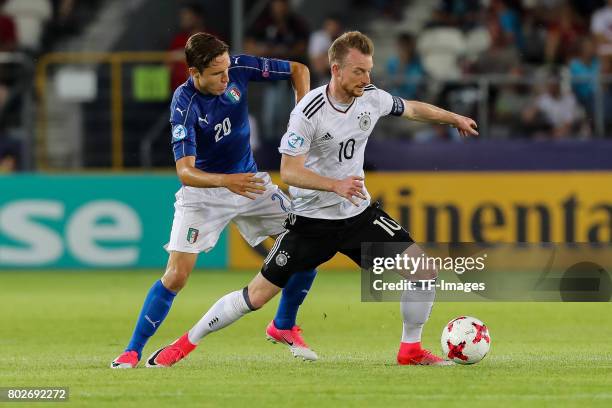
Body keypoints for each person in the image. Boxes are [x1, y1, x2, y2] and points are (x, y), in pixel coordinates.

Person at [145, 31, 478, 368]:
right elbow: (288, 172)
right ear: (336, 70)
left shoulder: (372, 98)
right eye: (359, 71)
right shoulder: (309, 111)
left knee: (423, 270)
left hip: (356, 216)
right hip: (310, 224)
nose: (367, 78)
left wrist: (454, 118)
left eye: (369, 70)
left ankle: (410, 350)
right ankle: (184, 344)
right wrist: (334, 185)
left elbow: (412, 109)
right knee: (255, 297)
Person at [110, 32, 318, 369]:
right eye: (217, 74)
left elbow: (299, 69)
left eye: (226, 69)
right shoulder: (184, 103)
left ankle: (283, 325)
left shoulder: (237, 66)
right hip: (204, 195)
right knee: (176, 276)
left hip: (249, 184)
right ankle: (132, 350)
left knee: (310, 242)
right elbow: (185, 172)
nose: (227, 77)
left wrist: (302, 121)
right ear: (195, 73)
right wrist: (225, 181)